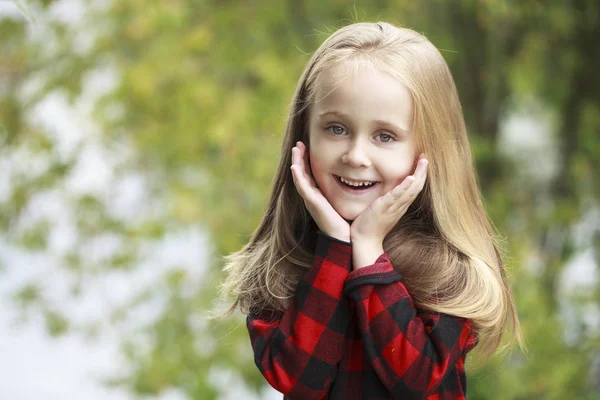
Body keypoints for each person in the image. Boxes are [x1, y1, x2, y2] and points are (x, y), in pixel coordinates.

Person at [218, 21, 524, 399]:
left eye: (385, 136)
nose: (356, 156)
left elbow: (418, 382)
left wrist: (368, 254)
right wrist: (334, 245)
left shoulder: (447, 270)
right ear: (304, 135)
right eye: (335, 129)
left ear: (428, 153)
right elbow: (296, 380)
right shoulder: (282, 264)